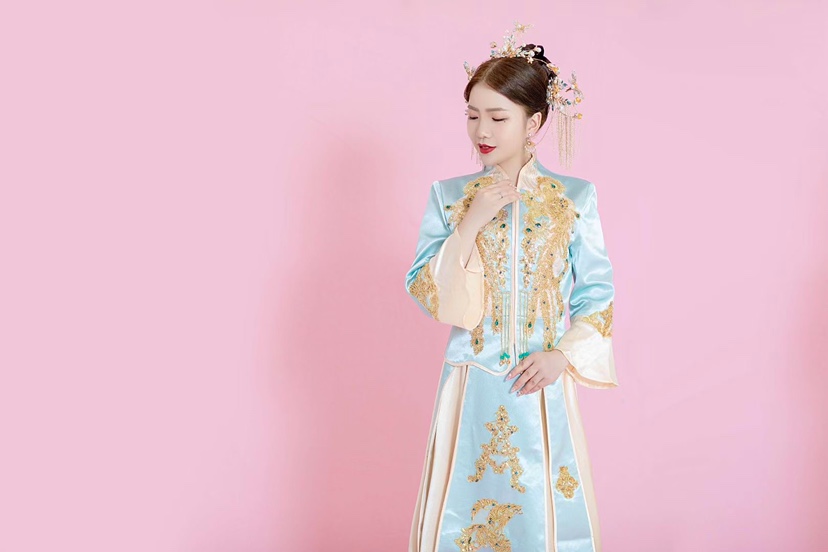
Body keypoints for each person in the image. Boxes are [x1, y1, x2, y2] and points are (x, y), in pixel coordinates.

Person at [404, 21, 618, 552]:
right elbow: (428, 292)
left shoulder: (574, 198)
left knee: (544, 517)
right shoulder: (449, 196)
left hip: (541, 385)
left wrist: (563, 357)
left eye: (498, 117)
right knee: (461, 512)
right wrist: (471, 222)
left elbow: (597, 294)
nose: (482, 130)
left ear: (534, 121)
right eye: (473, 115)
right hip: (471, 382)